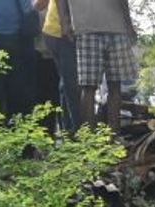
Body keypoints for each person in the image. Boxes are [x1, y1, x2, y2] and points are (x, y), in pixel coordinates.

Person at [58, 0, 136, 131]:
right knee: (88, 86)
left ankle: (114, 135)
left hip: (116, 28)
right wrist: (64, 22)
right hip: (86, 29)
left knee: (115, 84)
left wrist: (128, 24)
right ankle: (91, 141)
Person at [36, 0, 79, 132]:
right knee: (71, 83)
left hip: (57, 31)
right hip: (60, 31)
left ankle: (69, 130)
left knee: (66, 82)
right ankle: (77, 131)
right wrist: (65, 22)